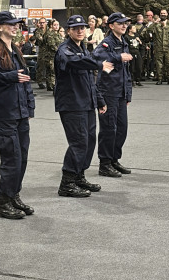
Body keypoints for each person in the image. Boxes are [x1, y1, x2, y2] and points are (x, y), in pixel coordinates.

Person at [0, 11, 35, 219]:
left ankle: (13, 196)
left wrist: (29, 107)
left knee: (23, 158)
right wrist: (9, 76)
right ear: (0, 27)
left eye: (16, 24)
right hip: (5, 113)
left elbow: (25, 79)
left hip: (19, 112)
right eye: (10, 24)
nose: (15, 27)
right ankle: (3, 202)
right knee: (11, 158)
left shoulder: (15, 50)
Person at [54, 15, 113, 197]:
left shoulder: (83, 49)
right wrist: (98, 64)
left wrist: (99, 100)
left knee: (88, 141)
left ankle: (79, 175)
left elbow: (89, 79)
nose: (80, 31)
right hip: (72, 104)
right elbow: (75, 63)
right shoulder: (65, 50)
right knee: (78, 142)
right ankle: (67, 182)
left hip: (86, 102)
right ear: (68, 31)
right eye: (76, 28)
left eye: (83, 28)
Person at [93, 13, 133, 178]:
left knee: (122, 128)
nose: (124, 26)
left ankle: (114, 159)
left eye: (125, 23)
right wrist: (117, 57)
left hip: (120, 92)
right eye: (120, 23)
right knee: (109, 128)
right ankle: (105, 163)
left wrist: (128, 93)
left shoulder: (123, 42)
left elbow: (126, 71)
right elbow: (96, 58)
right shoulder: (106, 43)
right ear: (111, 26)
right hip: (108, 92)